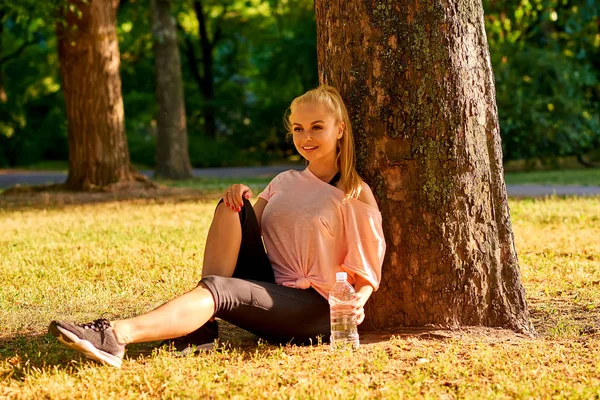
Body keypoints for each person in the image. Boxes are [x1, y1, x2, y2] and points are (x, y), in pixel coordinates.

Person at [48, 85, 386, 368]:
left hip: (315, 310)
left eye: (316, 127)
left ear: (339, 129)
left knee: (220, 289)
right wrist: (238, 195)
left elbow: (369, 266)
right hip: (275, 286)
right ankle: (203, 326)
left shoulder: (353, 193)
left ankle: (116, 336)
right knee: (231, 207)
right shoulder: (285, 181)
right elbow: (248, 224)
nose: (305, 137)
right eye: (298, 128)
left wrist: (359, 299)